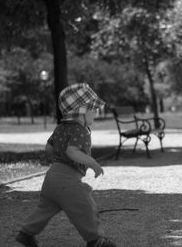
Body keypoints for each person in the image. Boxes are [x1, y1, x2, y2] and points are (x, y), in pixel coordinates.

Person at [15, 83, 116, 247]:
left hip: (52, 176)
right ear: (82, 111)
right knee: (85, 207)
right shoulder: (81, 131)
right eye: (93, 109)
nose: (96, 112)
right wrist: (93, 163)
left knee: (44, 209)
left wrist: (58, 157)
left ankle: (26, 233)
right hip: (67, 180)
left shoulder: (60, 128)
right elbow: (72, 151)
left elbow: (49, 148)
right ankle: (96, 240)